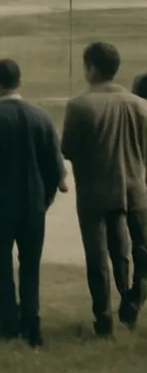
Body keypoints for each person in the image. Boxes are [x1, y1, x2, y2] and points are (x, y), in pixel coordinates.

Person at [0, 59, 67, 347]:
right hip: (33, 204)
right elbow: (55, 166)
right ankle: (32, 325)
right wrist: (49, 194)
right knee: (30, 265)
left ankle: (8, 325)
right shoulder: (40, 116)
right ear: (18, 81)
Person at [61, 41, 147, 337]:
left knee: (98, 256)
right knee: (134, 248)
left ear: (92, 68)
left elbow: (68, 149)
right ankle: (133, 297)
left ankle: (104, 318)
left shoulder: (80, 105)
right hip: (135, 188)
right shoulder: (140, 105)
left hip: (95, 190)